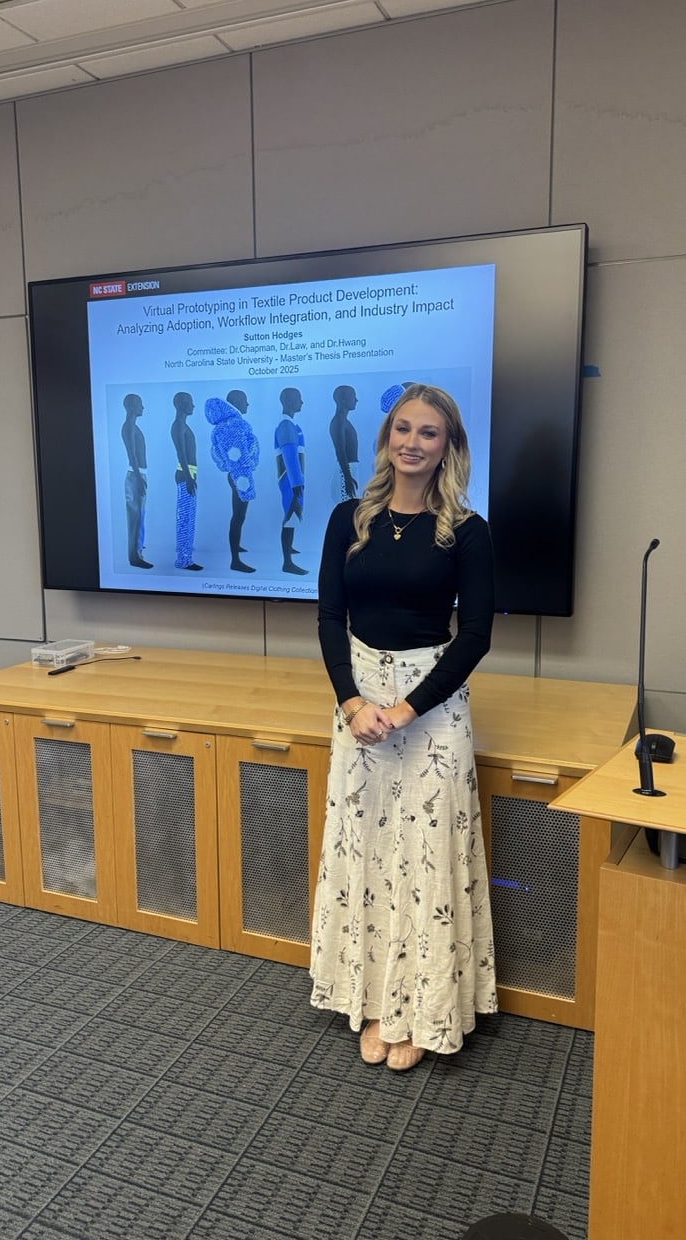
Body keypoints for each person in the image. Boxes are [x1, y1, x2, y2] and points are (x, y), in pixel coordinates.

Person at [310, 383, 497, 1073]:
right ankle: (372, 1001)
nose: (413, 442)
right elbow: (330, 617)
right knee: (368, 853)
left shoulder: (467, 531)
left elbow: (473, 636)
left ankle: (423, 1011)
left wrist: (406, 710)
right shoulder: (347, 519)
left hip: (432, 709)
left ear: (448, 446)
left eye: (429, 433)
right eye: (403, 428)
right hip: (359, 706)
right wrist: (353, 703)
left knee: (425, 860)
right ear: (387, 436)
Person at [205, 388, 260, 573]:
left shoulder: (230, 425)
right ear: (236, 403)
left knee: (240, 515)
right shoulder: (233, 426)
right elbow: (237, 456)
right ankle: (235, 560)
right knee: (238, 516)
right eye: (245, 400)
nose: (247, 404)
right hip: (240, 476)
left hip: (239, 475)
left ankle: (236, 546)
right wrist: (245, 482)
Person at [274, 386, 307, 576]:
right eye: (298, 399)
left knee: (292, 515)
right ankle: (287, 562)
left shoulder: (289, 424)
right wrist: (296, 483)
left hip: (293, 478)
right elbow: (290, 455)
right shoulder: (286, 426)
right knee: (290, 515)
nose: (301, 402)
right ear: (287, 401)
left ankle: (289, 547)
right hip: (290, 479)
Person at [121, 392, 152, 568]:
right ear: (132, 406)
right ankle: (134, 557)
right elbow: (131, 454)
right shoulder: (128, 427)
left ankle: (138, 552)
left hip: (139, 475)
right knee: (135, 518)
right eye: (140, 404)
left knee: (139, 516)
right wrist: (139, 478)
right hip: (135, 476)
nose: (143, 407)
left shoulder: (133, 426)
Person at [171, 391, 202, 571]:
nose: (193, 406)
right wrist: (189, 478)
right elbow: (181, 453)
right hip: (185, 475)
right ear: (182, 404)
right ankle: (183, 560)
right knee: (185, 518)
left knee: (189, 518)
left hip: (189, 474)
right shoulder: (178, 426)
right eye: (190, 402)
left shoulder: (183, 425)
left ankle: (186, 558)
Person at [329, 383, 359, 501]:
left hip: (349, 471)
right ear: (343, 399)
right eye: (353, 396)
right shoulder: (338, 421)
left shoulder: (343, 421)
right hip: (345, 473)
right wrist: (347, 477)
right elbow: (340, 451)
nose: (356, 400)